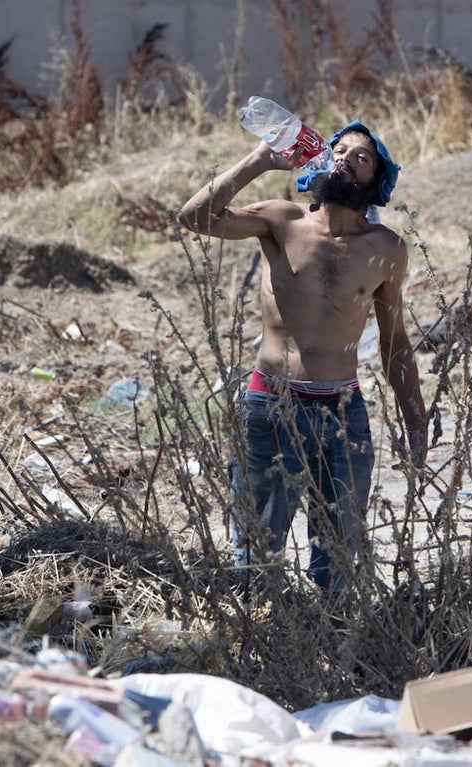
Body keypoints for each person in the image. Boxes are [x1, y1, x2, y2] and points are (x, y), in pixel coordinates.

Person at [177, 118, 427, 594]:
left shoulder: (386, 249)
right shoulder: (282, 220)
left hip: (343, 413)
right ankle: (262, 633)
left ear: (376, 180)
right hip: (272, 406)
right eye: (339, 151)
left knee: (339, 559)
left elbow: (395, 341)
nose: (345, 159)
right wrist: (260, 160)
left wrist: (415, 419)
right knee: (256, 555)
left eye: (361, 157)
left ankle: (330, 634)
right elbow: (194, 218)